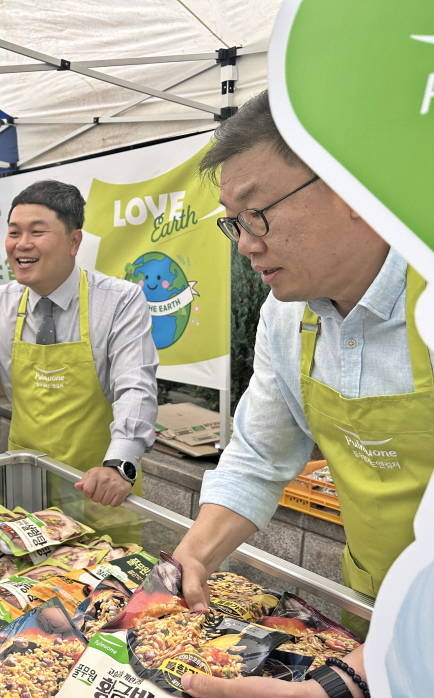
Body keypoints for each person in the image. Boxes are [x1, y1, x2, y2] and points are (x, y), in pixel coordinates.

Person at [169, 91, 420, 696]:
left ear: (351, 189)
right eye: (233, 221)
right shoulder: (286, 319)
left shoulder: (428, 303)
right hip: (372, 594)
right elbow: (258, 458)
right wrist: (194, 557)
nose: (244, 243)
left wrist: (345, 686)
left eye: (258, 213)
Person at [0, 180, 159, 520]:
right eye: (14, 232)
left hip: (99, 487)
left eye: (37, 232)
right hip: (25, 482)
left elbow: (136, 385)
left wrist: (121, 463)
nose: (22, 244)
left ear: (74, 241)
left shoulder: (120, 300)